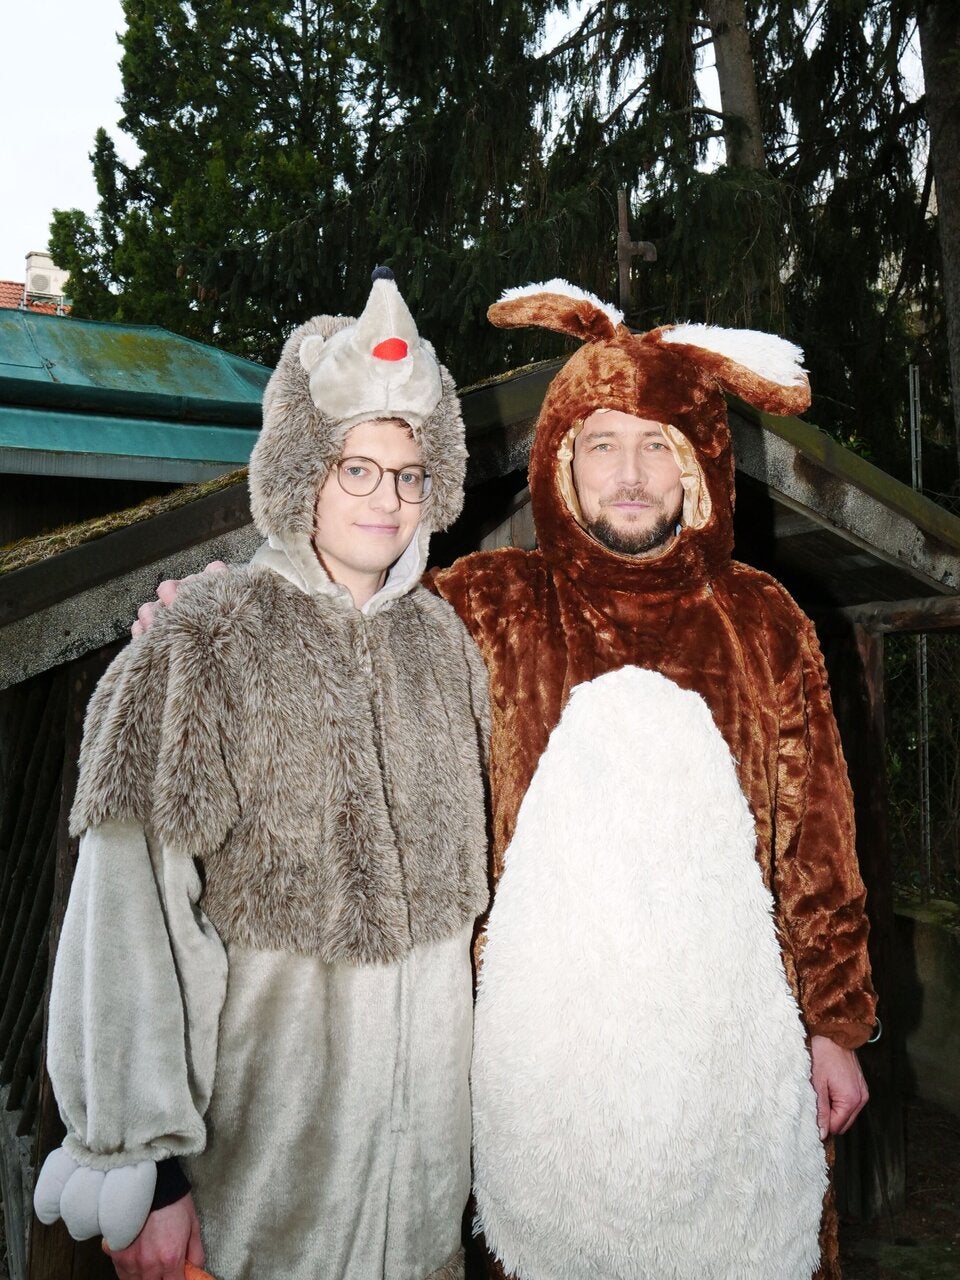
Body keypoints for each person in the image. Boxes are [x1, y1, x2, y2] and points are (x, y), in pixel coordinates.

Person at [128, 279, 877, 1279]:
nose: (631, 472)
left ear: (701, 465)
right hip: (533, 1082)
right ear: (559, 456)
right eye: (603, 441)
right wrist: (222, 616)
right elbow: (351, 616)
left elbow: (818, 839)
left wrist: (836, 1022)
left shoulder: (764, 618)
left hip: (730, 1072)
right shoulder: (488, 606)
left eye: (659, 444)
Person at [33, 269, 491, 1280]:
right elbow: (126, 915)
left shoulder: (447, 647)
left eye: (409, 472)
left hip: (421, 1219)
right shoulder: (202, 639)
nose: (388, 498)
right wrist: (143, 1163)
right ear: (300, 471)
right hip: (259, 1209)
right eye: (356, 468)